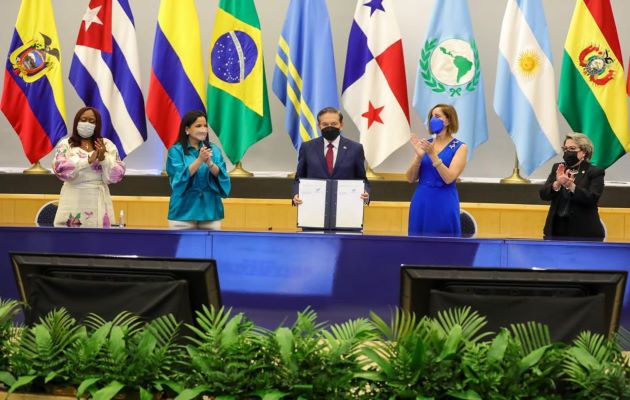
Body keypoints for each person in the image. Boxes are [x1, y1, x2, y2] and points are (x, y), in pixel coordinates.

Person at [52, 107, 125, 228]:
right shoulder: (66, 144)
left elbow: (117, 175)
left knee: (99, 244)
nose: (87, 124)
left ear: (97, 125)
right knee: (70, 243)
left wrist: (103, 159)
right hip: (73, 200)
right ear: (76, 122)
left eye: (92, 121)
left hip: (99, 200)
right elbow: (60, 170)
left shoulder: (106, 144)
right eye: (83, 120)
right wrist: (87, 160)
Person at [406, 103, 468, 236]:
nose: (433, 119)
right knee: (418, 243)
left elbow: (449, 178)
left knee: (443, 244)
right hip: (421, 199)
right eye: (431, 116)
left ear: (448, 120)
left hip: (443, 200)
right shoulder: (425, 144)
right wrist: (418, 157)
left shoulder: (460, 147)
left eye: (437, 116)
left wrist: (432, 155)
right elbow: (410, 178)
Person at [166, 110, 231, 229]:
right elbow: (177, 180)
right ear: (187, 129)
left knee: (211, 247)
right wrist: (199, 160)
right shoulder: (175, 151)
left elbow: (223, 177)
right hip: (183, 212)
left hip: (210, 211)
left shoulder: (214, 150)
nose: (203, 129)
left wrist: (209, 163)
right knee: (183, 248)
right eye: (198, 126)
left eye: (205, 126)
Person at [292, 107, 369, 205]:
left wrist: (366, 193)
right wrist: (296, 194)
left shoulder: (355, 148)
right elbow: (299, 179)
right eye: (325, 124)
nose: (329, 127)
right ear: (319, 126)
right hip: (313, 207)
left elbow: (362, 180)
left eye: (334, 124)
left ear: (341, 125)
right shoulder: (307, 147)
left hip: (346, 207)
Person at [540, 133, 605, 241]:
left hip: (584, 231)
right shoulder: (558, 168)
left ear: (584, 152)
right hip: (556, 229)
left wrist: (571, 186)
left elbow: (591, 199)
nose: (567, 152)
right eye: (565, 149)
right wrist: (557, 183)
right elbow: (543, 195)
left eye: (572, 148)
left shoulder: (594, 172)